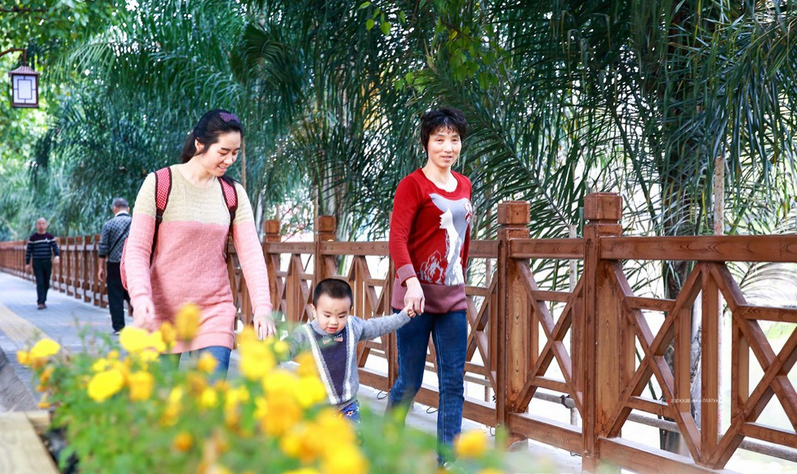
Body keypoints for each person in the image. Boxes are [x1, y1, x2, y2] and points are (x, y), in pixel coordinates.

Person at [124, 109, 275, 378]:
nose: (230, 160)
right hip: (160, 313)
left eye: (235, 152)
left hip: (213, 313)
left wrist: (262, 308)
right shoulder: (160, 183)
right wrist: (141, 297)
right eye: (223, 151)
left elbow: (251, 254)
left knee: (210, 399)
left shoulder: (233, 194)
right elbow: (137, 250)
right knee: (160, 400)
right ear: (199, 143)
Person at [386, 107, 472, 461]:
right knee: (410, 380)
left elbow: (463, 240)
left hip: (453, 300)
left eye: (454, 139)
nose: (447, 147)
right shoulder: (412, 185)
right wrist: (411, 282)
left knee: (453, 382)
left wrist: (459, 276)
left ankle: (446, 461)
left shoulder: (464, 184)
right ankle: (385, 449)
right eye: (440, 139)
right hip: (414, 300)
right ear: (426, 144)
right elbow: (397, 238)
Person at [286, 278, 414, 422]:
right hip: (316, 408)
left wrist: (402, 316)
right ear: (314, 310)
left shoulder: (353, 327)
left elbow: (377, 326)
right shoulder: (305, 334)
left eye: (341, 316)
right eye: (327, 315)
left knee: (354, 436)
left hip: (348, 406)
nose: (334, 322)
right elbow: (286, 348)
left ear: (349, 311)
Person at [97, 197, 133, 335]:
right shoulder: (135, 223)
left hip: (114, 264)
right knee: (134, 293)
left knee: (115, 295)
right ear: (128, 209)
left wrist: (101, 268)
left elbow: (103, 247)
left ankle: (119, 327)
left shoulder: (109, 224)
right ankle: (141, 323)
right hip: (132, 263)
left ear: (114, 209)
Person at [25, 218, 61, 310]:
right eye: (39, 223)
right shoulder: (33, 238)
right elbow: (29, 251)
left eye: (43, 223)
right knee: (40, 282)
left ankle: (43, 299)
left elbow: (55, 247)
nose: (41, 225)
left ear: (46, 225)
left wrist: (57, 256)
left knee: (46, 283)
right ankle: (41, 302)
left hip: (47, 262)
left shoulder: (50, 237)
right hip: (37, 263)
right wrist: (27, 263)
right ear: (36, 226)